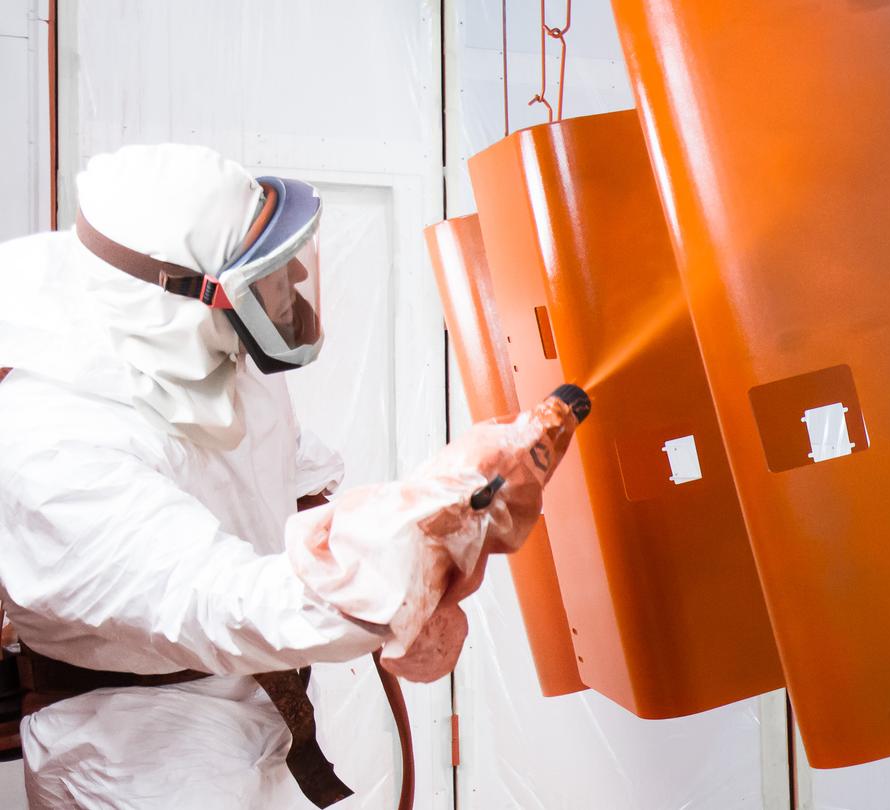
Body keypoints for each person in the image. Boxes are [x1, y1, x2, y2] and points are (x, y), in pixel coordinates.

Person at [0, 144, 562, 808]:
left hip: (255, 700)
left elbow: (295, 480)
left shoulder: (205, 340)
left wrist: (414, 575)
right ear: (182, 291)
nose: (293, 277)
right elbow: (222, 601)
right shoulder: (53, 445)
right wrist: (406, 571)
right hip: (139, 757)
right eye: (266, 270)